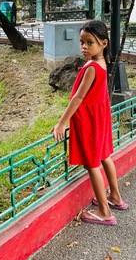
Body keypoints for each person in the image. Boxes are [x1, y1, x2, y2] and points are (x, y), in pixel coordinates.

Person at [51, 20, 128, 226]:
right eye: (82, 42)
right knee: (104, 156)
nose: (84, 47)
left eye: (89, 42)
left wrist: (61, 123)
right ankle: (115, 197)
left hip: (89, 120)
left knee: (92, 164)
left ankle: (105, 212)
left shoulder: (92, 67)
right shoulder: (101, 63)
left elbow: (78, 97)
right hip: (100, 117)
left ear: (103, 43)